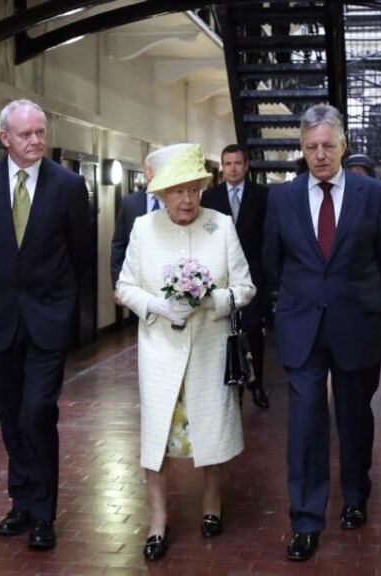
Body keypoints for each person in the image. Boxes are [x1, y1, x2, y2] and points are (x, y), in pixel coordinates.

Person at [264, 104, 381, 562]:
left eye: (328, 145)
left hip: (355, 324)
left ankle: (356, 495)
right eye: (311, 147)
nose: (320, 155)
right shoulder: (281, 199)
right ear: (301, 151)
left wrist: (362, 295)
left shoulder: (374, 193)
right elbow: (271, 262)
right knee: (305, 423)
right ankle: (305, 519)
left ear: (344, 145)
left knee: (354, 416)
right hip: (302, 326)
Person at [0, 99, 92, 550]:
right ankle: (20, 501)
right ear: (4, 139)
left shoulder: (69, 186)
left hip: (48, 317)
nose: (36, 140)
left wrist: (73, 314)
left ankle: (43, 513)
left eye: (40, 132)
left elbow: (82, 255)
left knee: (38, 411)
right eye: (25, 134)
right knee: (11, 414)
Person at [116, 143, 255, 561]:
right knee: (157, 437)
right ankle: (157, 519)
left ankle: (212, 502)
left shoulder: (221, 226)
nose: (188, 200)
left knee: (208, 431)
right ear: (161, 194)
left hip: (209, 349)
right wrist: (157, 305)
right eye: (178, 192)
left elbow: (246, 288)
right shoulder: (144, 228)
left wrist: (213, 300)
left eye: (194, 190)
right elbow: (124, 287)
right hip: (160, 351)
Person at [201, 143, 271, 410]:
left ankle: (257, 384)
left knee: (254, 332)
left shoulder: (262, 196)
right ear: (222, 166)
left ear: (246, 165)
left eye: (237, 163)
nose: (232, 168)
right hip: (221, 279)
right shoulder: (210, 198)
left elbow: (268, 238)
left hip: (252, 278)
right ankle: (233, 387)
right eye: (227, 164)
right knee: (224, 335)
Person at [110, 154, 161, 289]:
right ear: (147, 173)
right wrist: (118, 284)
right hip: (137, 285)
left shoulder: (175, 202)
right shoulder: (129, 202)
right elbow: (119, 245)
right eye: (150, 170)